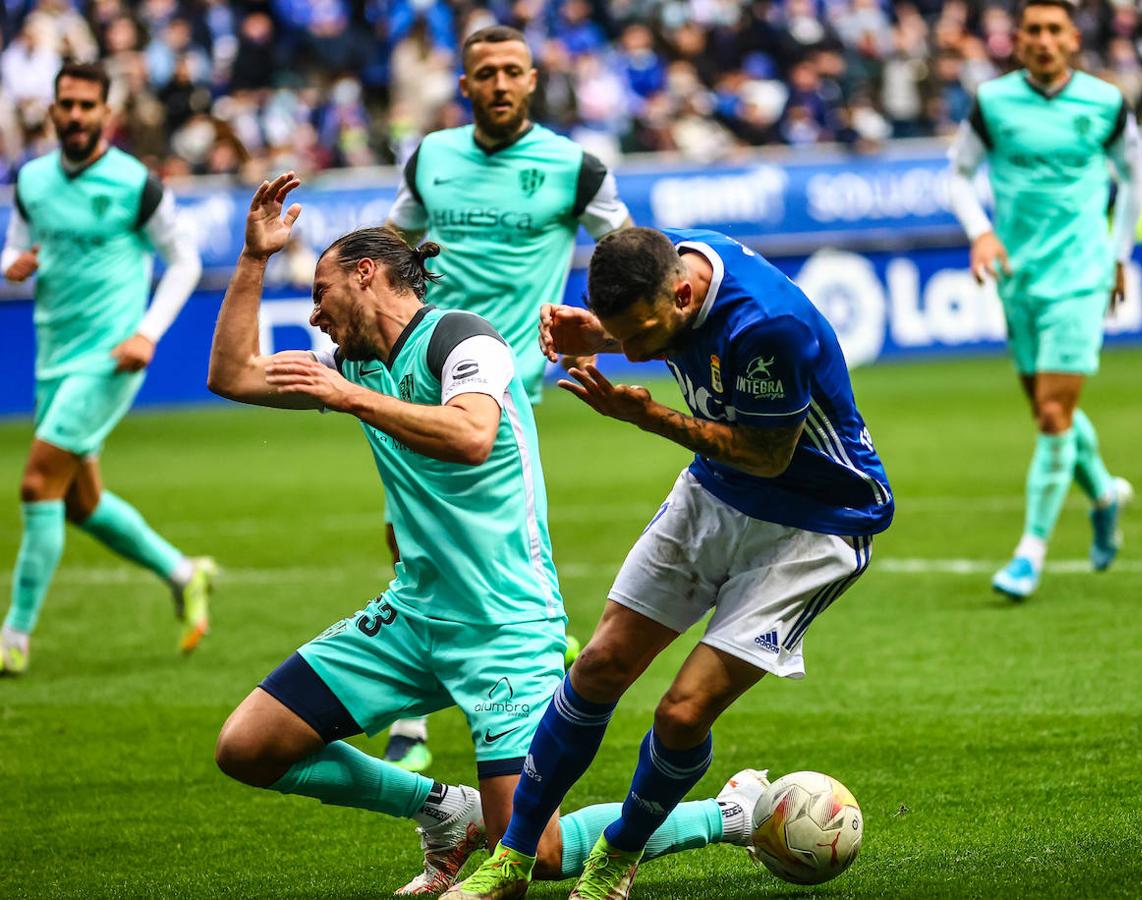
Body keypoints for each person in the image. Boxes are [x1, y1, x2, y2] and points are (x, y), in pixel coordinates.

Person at [207, 176, 763, 896]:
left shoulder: (462, 337)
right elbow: (231, 374)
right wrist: (252, 261)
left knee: (544, 853)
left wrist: (349, 396)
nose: (315, 314)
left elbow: (473, 435)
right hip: (413, 615)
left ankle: (729, 813)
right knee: (248, 746)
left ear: (366, 272)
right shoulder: (358, 363)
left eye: (321, 291)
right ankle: (443, 812)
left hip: (504, 621)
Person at [449, 226, 893, 899]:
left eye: (638, 335)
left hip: (816, 522)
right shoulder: (665, 261)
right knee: (599, 665)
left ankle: (616, 856)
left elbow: (767, 455)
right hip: (715, 491)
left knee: (681, 716)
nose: (628, 352)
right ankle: (510, 859)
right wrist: (594, 334)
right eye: (618, 335)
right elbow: (654, 335)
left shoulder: (768, 328)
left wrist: (648, 416)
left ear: (683, 295)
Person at [381, 23, 632, 773]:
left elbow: (626, 254)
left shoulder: (575, 168)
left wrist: (603, 325)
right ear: (464, 85)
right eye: (483, 72)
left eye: (511, 71)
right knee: (413, 537)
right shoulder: (431, 158)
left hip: (510, 385)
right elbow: (394, 247)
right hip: (425, 373)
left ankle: (438, 709)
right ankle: (540, 651)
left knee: (478, 540)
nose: (497, 83)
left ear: (532, 80)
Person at [0, 62, 212, 674]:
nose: (74, 116)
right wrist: (11, 262)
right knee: (77, 503)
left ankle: (14, 638)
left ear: (105, 114)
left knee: (36, 484)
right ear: (52, 111)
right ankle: (183, 571)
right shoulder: (33, 180)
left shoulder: (135, 183)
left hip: (110, 356)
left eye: (87, 106)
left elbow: (185, 261)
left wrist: (147, 332)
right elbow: (14, 242)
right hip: (52, 357)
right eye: (66, 104)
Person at [947, 0, 1142, 600]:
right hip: (1019, 275)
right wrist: (980, 231)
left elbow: (1135, 176)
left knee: (1054, 415)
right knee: (1047, 409)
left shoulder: (1106, 102)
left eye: (1053, 29)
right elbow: (958, 173)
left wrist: (1118, 255)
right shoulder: (992, 102)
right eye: (1032, 29)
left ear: (1071, 39)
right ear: (1018, 39)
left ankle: (1029, 553)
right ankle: (1106, 494)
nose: (1042, 39)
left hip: (1083, 275)